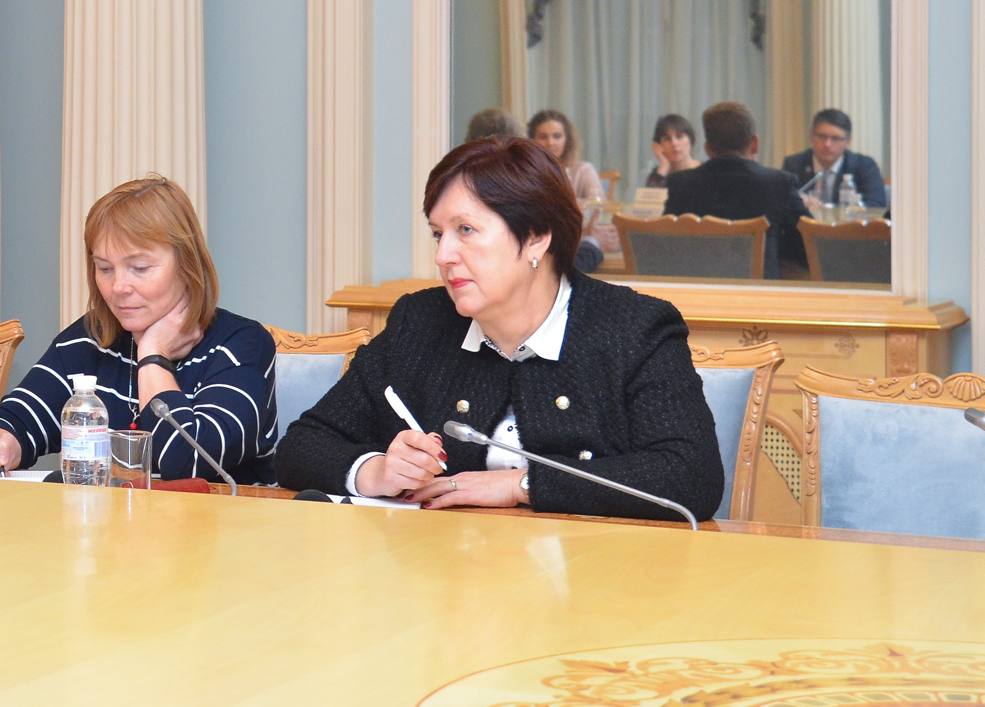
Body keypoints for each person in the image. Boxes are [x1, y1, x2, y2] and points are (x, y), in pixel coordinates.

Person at [275, 137, 723, 520]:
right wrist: (376, 471)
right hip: (442, 577)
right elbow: (302, 445)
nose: (443, 256)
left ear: (536, 237)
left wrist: (520, 485)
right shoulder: (420, 321)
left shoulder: (634, 328)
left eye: (466, 230)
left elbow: (691, 476)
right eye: (438, 234)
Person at [0, 176, 278, 485]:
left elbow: (186, 461)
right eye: (105, 268)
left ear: (187, 265)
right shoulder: (89, 339)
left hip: (220, 521)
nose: (119, 287)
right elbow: (18, 417)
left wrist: (153, 355)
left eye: (140, 268)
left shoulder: (243, 345)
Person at [662, 102, 807, 279]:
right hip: (761, 291)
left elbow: (667, 245)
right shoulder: (779, 183)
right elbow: (809, 244)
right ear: (755, 144)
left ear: (708, 149)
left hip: (700, 291)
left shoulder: (681, 184)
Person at [781, 108, 888, 211]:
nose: (827, 144)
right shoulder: (794, 164)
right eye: (822, 136)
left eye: (836, 138)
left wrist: (829, 209)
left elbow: (876, 205)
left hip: (848, 223)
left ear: (848, 142)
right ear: (812, 136)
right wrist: (798, 203)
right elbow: (781, 203)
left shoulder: (864, 166)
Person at [528, 109, 602, 202]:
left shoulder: (583, 171)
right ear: (532, 141)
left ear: (567, 140)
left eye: (557, 136)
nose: (550, 143)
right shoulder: (526, 172)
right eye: (543, 137)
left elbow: (600, 205)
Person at [646, 113, 701, 188]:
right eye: (667, 139)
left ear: (690, 140)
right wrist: (664, 165)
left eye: (679, 137)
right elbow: (650, 194)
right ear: (659, 145)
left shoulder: (705, 172)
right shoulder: (659, 174)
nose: (674, 143)